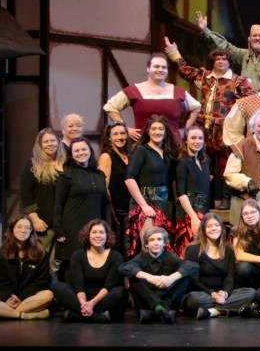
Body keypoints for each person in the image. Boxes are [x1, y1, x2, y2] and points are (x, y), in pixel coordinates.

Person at [164, 35, 255, 208]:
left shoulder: (238, 81)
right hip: (204, 127)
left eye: (224, 59)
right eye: (217, 58)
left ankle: (227, 198)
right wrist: (174, 53)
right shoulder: (205, 77)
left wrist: (238, 117)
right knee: (204, 161)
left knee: (226, 163)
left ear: (229, 61)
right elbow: (186, 71)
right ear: (213, 61)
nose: (220, 61)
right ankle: (208, 196)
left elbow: (251, 100)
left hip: (225, 128)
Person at [104, 52, 201, 141]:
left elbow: (196, 107)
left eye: (164, 67)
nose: (160, 70)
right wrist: (126, 129)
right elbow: (110, 107)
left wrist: (183, 130)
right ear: (148, 68)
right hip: (143, 145)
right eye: (156, 66)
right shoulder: (135, 90)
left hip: (172, 146)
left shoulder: (178, 92)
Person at [53, 136, 110, 282]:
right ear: (71, 154)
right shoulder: (66, 176)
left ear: (90, 151)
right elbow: (58, 205)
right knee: (73, 265)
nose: (81, 153)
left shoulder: (99, 175)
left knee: (92, 262)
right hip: (73, 227)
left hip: (95, 227)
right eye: (76, 151)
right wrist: (58, 229)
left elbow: (105, 204)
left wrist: (108, 228)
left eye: (84, 149)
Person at [125, 115, 179, 256]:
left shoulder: (169, 152)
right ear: (148, 131)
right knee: (149, 246)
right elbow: (129, 179)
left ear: (166, 132)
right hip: (147, 203)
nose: (157, 132)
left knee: (165, 247)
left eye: (160, 129)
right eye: (153, 128)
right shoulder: (141, 150)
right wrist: (144, 206)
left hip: (166, 204)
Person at [52, 219, 127, 323]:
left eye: (101, 232)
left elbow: (108, 287)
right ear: (88, 235)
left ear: (107, 235)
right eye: (94, 232)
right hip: (82, 297)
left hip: (103, 298)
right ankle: (95, 315)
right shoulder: (78, 255)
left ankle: (78, 313)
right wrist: (84, 303)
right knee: (57, 286)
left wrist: (92, 303)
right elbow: (79, 286)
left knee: (121, 292)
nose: (98, 235)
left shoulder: (116, 256)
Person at [184, 213, 256, 319]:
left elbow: (229, 278)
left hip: (221, 294)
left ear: (222, 228)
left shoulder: (228, 251)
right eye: (209, 226)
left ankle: (214, 311)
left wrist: (225, 294)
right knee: (194, 299)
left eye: (217, 225)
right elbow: (193, 280)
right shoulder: (193, 250)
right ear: (203, 229)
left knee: (250, 293)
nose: (214, 228)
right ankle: (227, 309)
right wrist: (212, 294)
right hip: (202, 294)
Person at [197, 10, 260, 94]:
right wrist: (206, 30)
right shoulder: (245, 55)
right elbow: (226, 47)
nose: (257, 38)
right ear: (250, 39)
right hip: (245, 103)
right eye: (254, 35)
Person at [120, 226, 197, 324]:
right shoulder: (142, 257)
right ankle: (159, 309)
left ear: (165, 243)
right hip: (147, 303)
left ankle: (155, 313)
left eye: (159, 239)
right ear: (146, 244)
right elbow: (123, 267)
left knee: (184, 277)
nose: (156, 243)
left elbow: (192, 266)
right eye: (152, 240)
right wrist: (149, 277)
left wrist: (172, 278)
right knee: (134, 276)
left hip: (167, 302)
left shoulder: (169, 256)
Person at [0, 216, 53, 320]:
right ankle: (24, 315)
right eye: (19, 227)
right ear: (12, 229)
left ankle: (5, 313)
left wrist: (21, 299)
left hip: (28, 300)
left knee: (48, 295)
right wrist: (7, 298)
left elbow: (40, 283)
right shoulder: (0, 253)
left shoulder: (41, 253)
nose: (23, 230)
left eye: (27, 228)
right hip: (6, 299)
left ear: (31, 231)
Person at [21, 128, 65, 263]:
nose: (50, 144)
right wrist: (35, 219)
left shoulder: (67, 164)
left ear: (58, 142)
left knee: (56, 263)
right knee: (37, 259)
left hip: (63, 223)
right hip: (43, 223)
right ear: (40, 145)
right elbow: (26, 193)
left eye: (52, 140)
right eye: (46, 141)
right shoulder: (32, 164)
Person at [173, 126, 211, 257]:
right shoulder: (183, 162)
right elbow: (181, 193)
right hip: (189, 211)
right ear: (186, 141)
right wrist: (193, 217)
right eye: (193, 138)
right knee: (189, 249)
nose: (197, 141)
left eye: (200, 138)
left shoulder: (205, 161)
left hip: (203, 209)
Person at [98, 121, 133, 256]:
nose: (120, 137)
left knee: (130, 248)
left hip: (131, 209)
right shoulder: (107, 156)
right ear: (109, 137)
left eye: (123, 133)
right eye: (116, 134)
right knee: (118, 248)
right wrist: (111, 212)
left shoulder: (130, 155)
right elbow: (104, 187)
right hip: (117, 211)